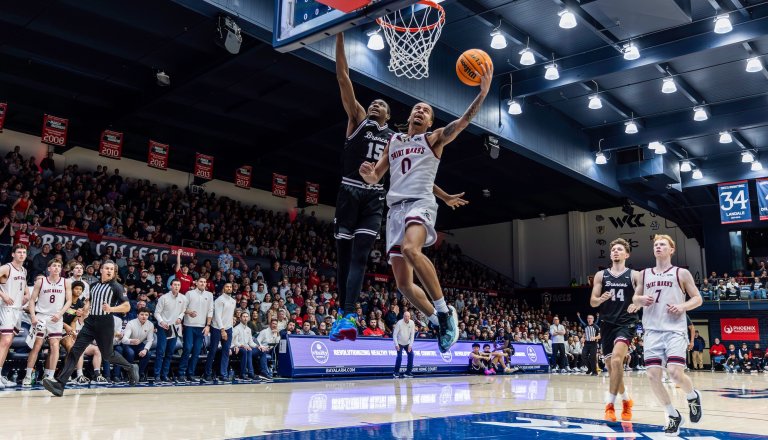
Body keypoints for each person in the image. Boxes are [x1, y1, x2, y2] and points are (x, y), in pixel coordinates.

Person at [330, 33, 467, 343]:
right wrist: (339, 33)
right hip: (351, 190)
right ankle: (346, 313)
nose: (375, 105)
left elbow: (415, 173)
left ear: (390, 116)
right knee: (352, 259)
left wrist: (443, 195)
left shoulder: (396, 138)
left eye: (381, 104)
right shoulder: (358, 119)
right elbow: (343, 77)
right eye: (372, 102)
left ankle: (350, 314)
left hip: (376, 198)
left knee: (366, 256)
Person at [359, 61, 493, 353]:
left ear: (430, 122)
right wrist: (368, 174)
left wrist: (482, 95)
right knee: (403, 284)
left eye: (426, 111)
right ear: (409, 116)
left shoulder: (433, 139)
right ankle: (436, 321)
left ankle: (444, 311)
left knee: (411, 249)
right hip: (395, 210)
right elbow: (377, 176)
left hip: (419, 204)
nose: (420, 111)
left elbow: (462, 123)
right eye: (417, 108)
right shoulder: (394, 141)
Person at [632, 234, 703, 436]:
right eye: (656, 244)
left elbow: (698, 298)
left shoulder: (681, 273)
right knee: (652, 376)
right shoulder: (644, 274)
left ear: (671, 250)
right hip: (652, 331)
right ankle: (672, 415)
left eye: (662, 244)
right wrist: (639, 300)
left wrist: (682, 306)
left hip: (674, 330)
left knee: (674, 373)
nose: (658, 246)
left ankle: (692, 396)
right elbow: (635, 298)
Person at [43, 261, 139, 397]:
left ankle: (130, 367)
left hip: (105, 323)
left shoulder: (117, 287)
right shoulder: (93, 285)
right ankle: (59, 385)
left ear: (114, 272)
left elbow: (127, 306)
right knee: (75, 351)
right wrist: (83, 310)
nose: (109, 271)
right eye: (107, 268)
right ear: (101, 270)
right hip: (90, 322)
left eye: (112, 269)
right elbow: (89, 301)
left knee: (108, 355)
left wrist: (111, 308)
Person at [590, 238, 640, 421]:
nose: (615, 252)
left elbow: (642, 296)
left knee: (617, 360)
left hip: (626, 323)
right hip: (607, 323)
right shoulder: (600, 275)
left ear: (627, 254)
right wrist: (600, 299)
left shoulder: (634, 275)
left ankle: (610, 405)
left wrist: (637, 304)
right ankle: (626, 400)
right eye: (613, 250)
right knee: (612, 368)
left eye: (619, 249)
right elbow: (592, 302)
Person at [24, 259, 72, 387]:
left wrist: (60, 314)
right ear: (49, 268)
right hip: (41, 316)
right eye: (54, 266)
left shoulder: (66, 282)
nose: (56, 268)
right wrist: (33, 317)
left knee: (55, 346)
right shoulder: (41, 281)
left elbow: (69, 301)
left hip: (56, 317)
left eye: (59, 266)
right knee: (37, 345)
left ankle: (50, 376)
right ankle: (27, 376)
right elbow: (32, 300)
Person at [0, 245, 29, 388]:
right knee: (5, 341)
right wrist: (3, 295)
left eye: (24, 252)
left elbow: (23, 286)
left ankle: (0, 375)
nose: (22, 254)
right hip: (6, 308)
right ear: (13, 254)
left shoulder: (24, 270)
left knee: (7, 343)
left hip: (17, 310)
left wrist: (27, 294)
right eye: (19, 252)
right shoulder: (6, 268)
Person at [178, 277, 214, 382]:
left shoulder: (209, 295)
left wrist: (208, 325)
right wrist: (189, 312)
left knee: (197, 351)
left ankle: (190, 373)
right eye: (201, 282)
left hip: (202, 326)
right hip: (189, 325)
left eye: (204, 282)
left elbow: (210, 311)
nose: (203, 283)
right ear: (196, 283)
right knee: (187, 348)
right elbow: (183, 308)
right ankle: (181, 373)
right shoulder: (189, 293)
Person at [153, 279, 187, 384]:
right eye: (175, 285)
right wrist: (162, 322)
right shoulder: (163, 298)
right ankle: (157, 375)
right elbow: (156, 313)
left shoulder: (183, 298)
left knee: (169, 352)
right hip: (163, 327)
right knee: (160, 352)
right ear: (171, 286)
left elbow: (183, 311)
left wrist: (180, 318)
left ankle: (164, 375)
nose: (176, 286)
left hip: (174, 328)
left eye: (178, 285)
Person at [203, 282, 236, 383]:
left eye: (230, 287)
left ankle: (223, 374)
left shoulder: (233, 301)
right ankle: (207, 374)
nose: (229, 288)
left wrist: (230, 328)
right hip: (217, 328)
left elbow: (230, 316)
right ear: (223, 289)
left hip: (228, 328)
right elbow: (217, 316)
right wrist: (222, 330)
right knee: (213, 351)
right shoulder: (219, 300)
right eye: (227, 287)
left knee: (226, 352)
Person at [118, 308, 155, 382]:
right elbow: (124, 340)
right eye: (142, 314)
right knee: (130, 353)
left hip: (140, 345)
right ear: (137, 315)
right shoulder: (131, 323)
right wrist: (131, 340)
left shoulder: (150, 325)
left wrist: (145, 350)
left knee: (148, 354)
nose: (144, 316)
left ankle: (139, 374)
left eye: (146, 315)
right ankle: (128, 373)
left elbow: (150, 340)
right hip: (128, 344)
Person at [232, 311, 257, 381]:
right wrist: (242, 345)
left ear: (248, 318)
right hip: (239, 348)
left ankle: (262, 372)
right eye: (244, 317)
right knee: (246, 351)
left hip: (247, 348)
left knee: (261, 351)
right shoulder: (236, 328)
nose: (245, 318)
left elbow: (251, 342)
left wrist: (258, 346)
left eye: (246, 317)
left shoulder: (249, 329)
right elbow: (234, 342)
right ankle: (243, 374)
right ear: (240, 318)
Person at [393, 311, 416, 378]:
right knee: (399, 357)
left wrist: (410, 345)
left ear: (410, 317)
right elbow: (394, 335)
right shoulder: (399, 323)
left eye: (408, 316)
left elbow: (412, 335)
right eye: (405, 316)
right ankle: (396, 372)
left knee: (411, 355)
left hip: (407, 343)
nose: (407, 317)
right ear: (403, 316)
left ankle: (408, 372)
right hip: (399, 343)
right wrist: (396, 344)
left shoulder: (412, 323)